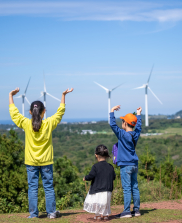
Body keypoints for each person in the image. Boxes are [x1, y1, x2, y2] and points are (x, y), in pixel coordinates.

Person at [9, 87, 73, 219]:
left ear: (30, 112)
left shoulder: (26, 123)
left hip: (31, 162)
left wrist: (10, 95)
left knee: (32, 188)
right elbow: (60, 112)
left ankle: (33, 214)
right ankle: (51, 213)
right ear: (44, 112)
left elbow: (14, 113)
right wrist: (63, 95)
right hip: (46, 162)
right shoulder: (49, 123)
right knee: (48, 187)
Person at [109, 105, 142, 218]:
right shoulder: (135, 134)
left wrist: (112, 111)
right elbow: (139, 127)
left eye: (122, 121)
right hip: (134, 164)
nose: (121, 123)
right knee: (135, 187)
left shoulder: (122, 135)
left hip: (125, 165)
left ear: (125, 123)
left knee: (127, 188)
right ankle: (136, 210)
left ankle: (127, 211)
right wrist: (138, 114)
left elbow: (113, 125)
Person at [83, 145, 116, 220]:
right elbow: (113, 177)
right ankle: (105, 215)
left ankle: (97, 216)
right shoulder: (110, 166)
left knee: (97, 203)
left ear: (96, 155)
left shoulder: (95, 166)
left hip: (97, 189)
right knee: (106, 203)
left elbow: (91, 176)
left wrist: (85, 178)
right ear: (106, 155)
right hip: (107, 189)